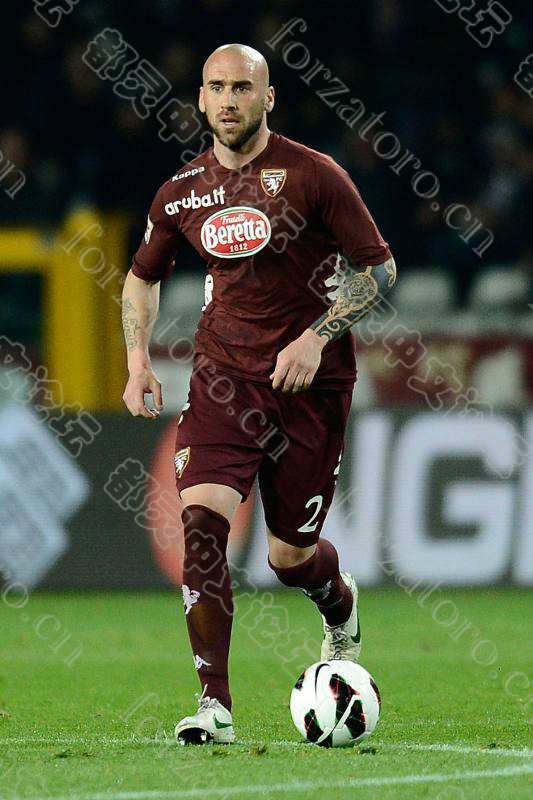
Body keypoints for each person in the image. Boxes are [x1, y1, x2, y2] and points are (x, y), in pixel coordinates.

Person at [122, 43, 396, 745]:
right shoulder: (182, 191)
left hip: (311, 385)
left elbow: (378, 270)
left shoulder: (315, 175)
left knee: (287, 558)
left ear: (268, 98)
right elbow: (141, 276)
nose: (228, 99)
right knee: (201, 522)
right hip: (223, 380)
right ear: (201, 98)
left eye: (242, 87)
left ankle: (338, 605)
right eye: (216, 87)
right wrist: (137, 360)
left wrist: (316, 336)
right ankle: (213, 705)